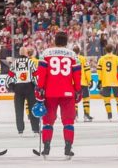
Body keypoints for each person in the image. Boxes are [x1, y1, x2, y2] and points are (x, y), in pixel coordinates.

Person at [35, 31, 83, 159]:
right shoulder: (73, 55)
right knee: (68, 122)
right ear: (66, 42)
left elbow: (41, 74)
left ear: (55, 41)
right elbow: (77, 75)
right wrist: (78, 90)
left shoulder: (46, 53)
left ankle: (46, 147)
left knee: (48, 122)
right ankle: (68, 147)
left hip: (50, 93)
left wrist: (39, 89)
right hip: (68, 93)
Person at [9, 44, 38, 135]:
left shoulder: (14, 63)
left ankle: (20, 130)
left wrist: (11, 86)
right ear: (26, 53)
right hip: (29, 87)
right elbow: (35, 75)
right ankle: (35, 129)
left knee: (19, 109)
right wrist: (37, 85)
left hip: (18, 88)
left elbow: (10, 76)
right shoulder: (30, 62)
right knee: (32, 108)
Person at [96, 44, 118, 120]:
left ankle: (109, 115)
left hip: (105, 81)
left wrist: (100, 81)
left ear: (105, 50)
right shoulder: (117, 58)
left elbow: (99, 71)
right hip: (116, 81)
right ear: (112, 50)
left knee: (106, 99)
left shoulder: (101, 59)